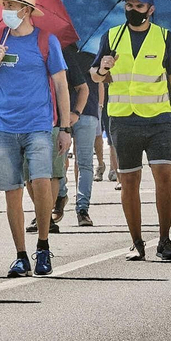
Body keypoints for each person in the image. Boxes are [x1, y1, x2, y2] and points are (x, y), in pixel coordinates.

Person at [0, 0, 71, 276]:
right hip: (3, 127)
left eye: (12, 6)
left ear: (27, 11)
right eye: (4, 5)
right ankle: (20, 255)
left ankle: (43, 245)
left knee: (41, 183)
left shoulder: (46, 41)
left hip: (39, 126)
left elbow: (61, 85)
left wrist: (64, 127)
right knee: (12, 191)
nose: (6, 11)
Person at [91, 0, 171, 262]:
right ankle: (136, 242)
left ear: (151, 10)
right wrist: (102, 68)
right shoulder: (111, 37)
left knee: (164, 177)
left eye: (139, 6)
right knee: (129, 181)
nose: (133, 10)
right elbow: (96, 77)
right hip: (122, 120)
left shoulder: (164, 37)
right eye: (129, 5)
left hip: (158, 119)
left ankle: (165, 240)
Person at [65, 44, 102, 225]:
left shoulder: (59, 49)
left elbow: (102, 79)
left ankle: (78, 206)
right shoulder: (93, 51)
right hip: (70, 112)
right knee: (81, 162)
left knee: (78, 161)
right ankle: (77, 206)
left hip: (80, 112)